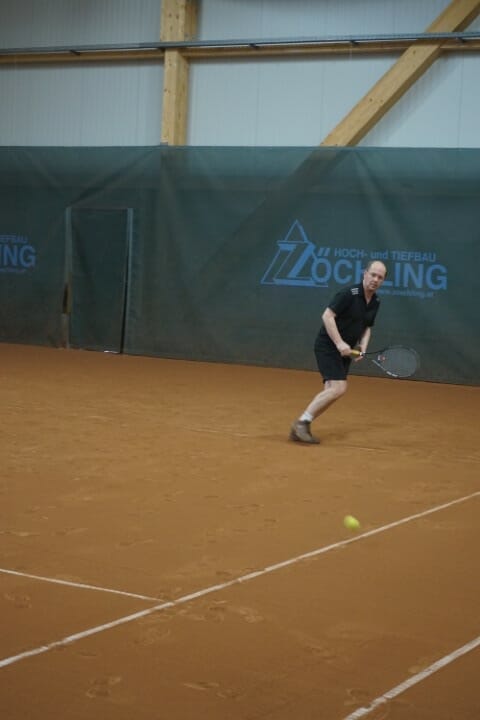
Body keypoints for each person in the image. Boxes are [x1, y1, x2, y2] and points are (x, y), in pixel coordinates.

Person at [289, 260, 387, 444]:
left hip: (346, 350)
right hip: (328, 346)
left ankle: (304, 424)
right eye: (373, 274)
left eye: (380, 277)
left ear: (382, 281)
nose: (375, 279)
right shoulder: (348, 294)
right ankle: (301, 423)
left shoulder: (376, 301)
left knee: (331, 391)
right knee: (338, 388)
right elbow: (327, 316)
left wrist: (362, 347)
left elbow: (367, 327)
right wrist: (340, 343)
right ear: (365, 273)